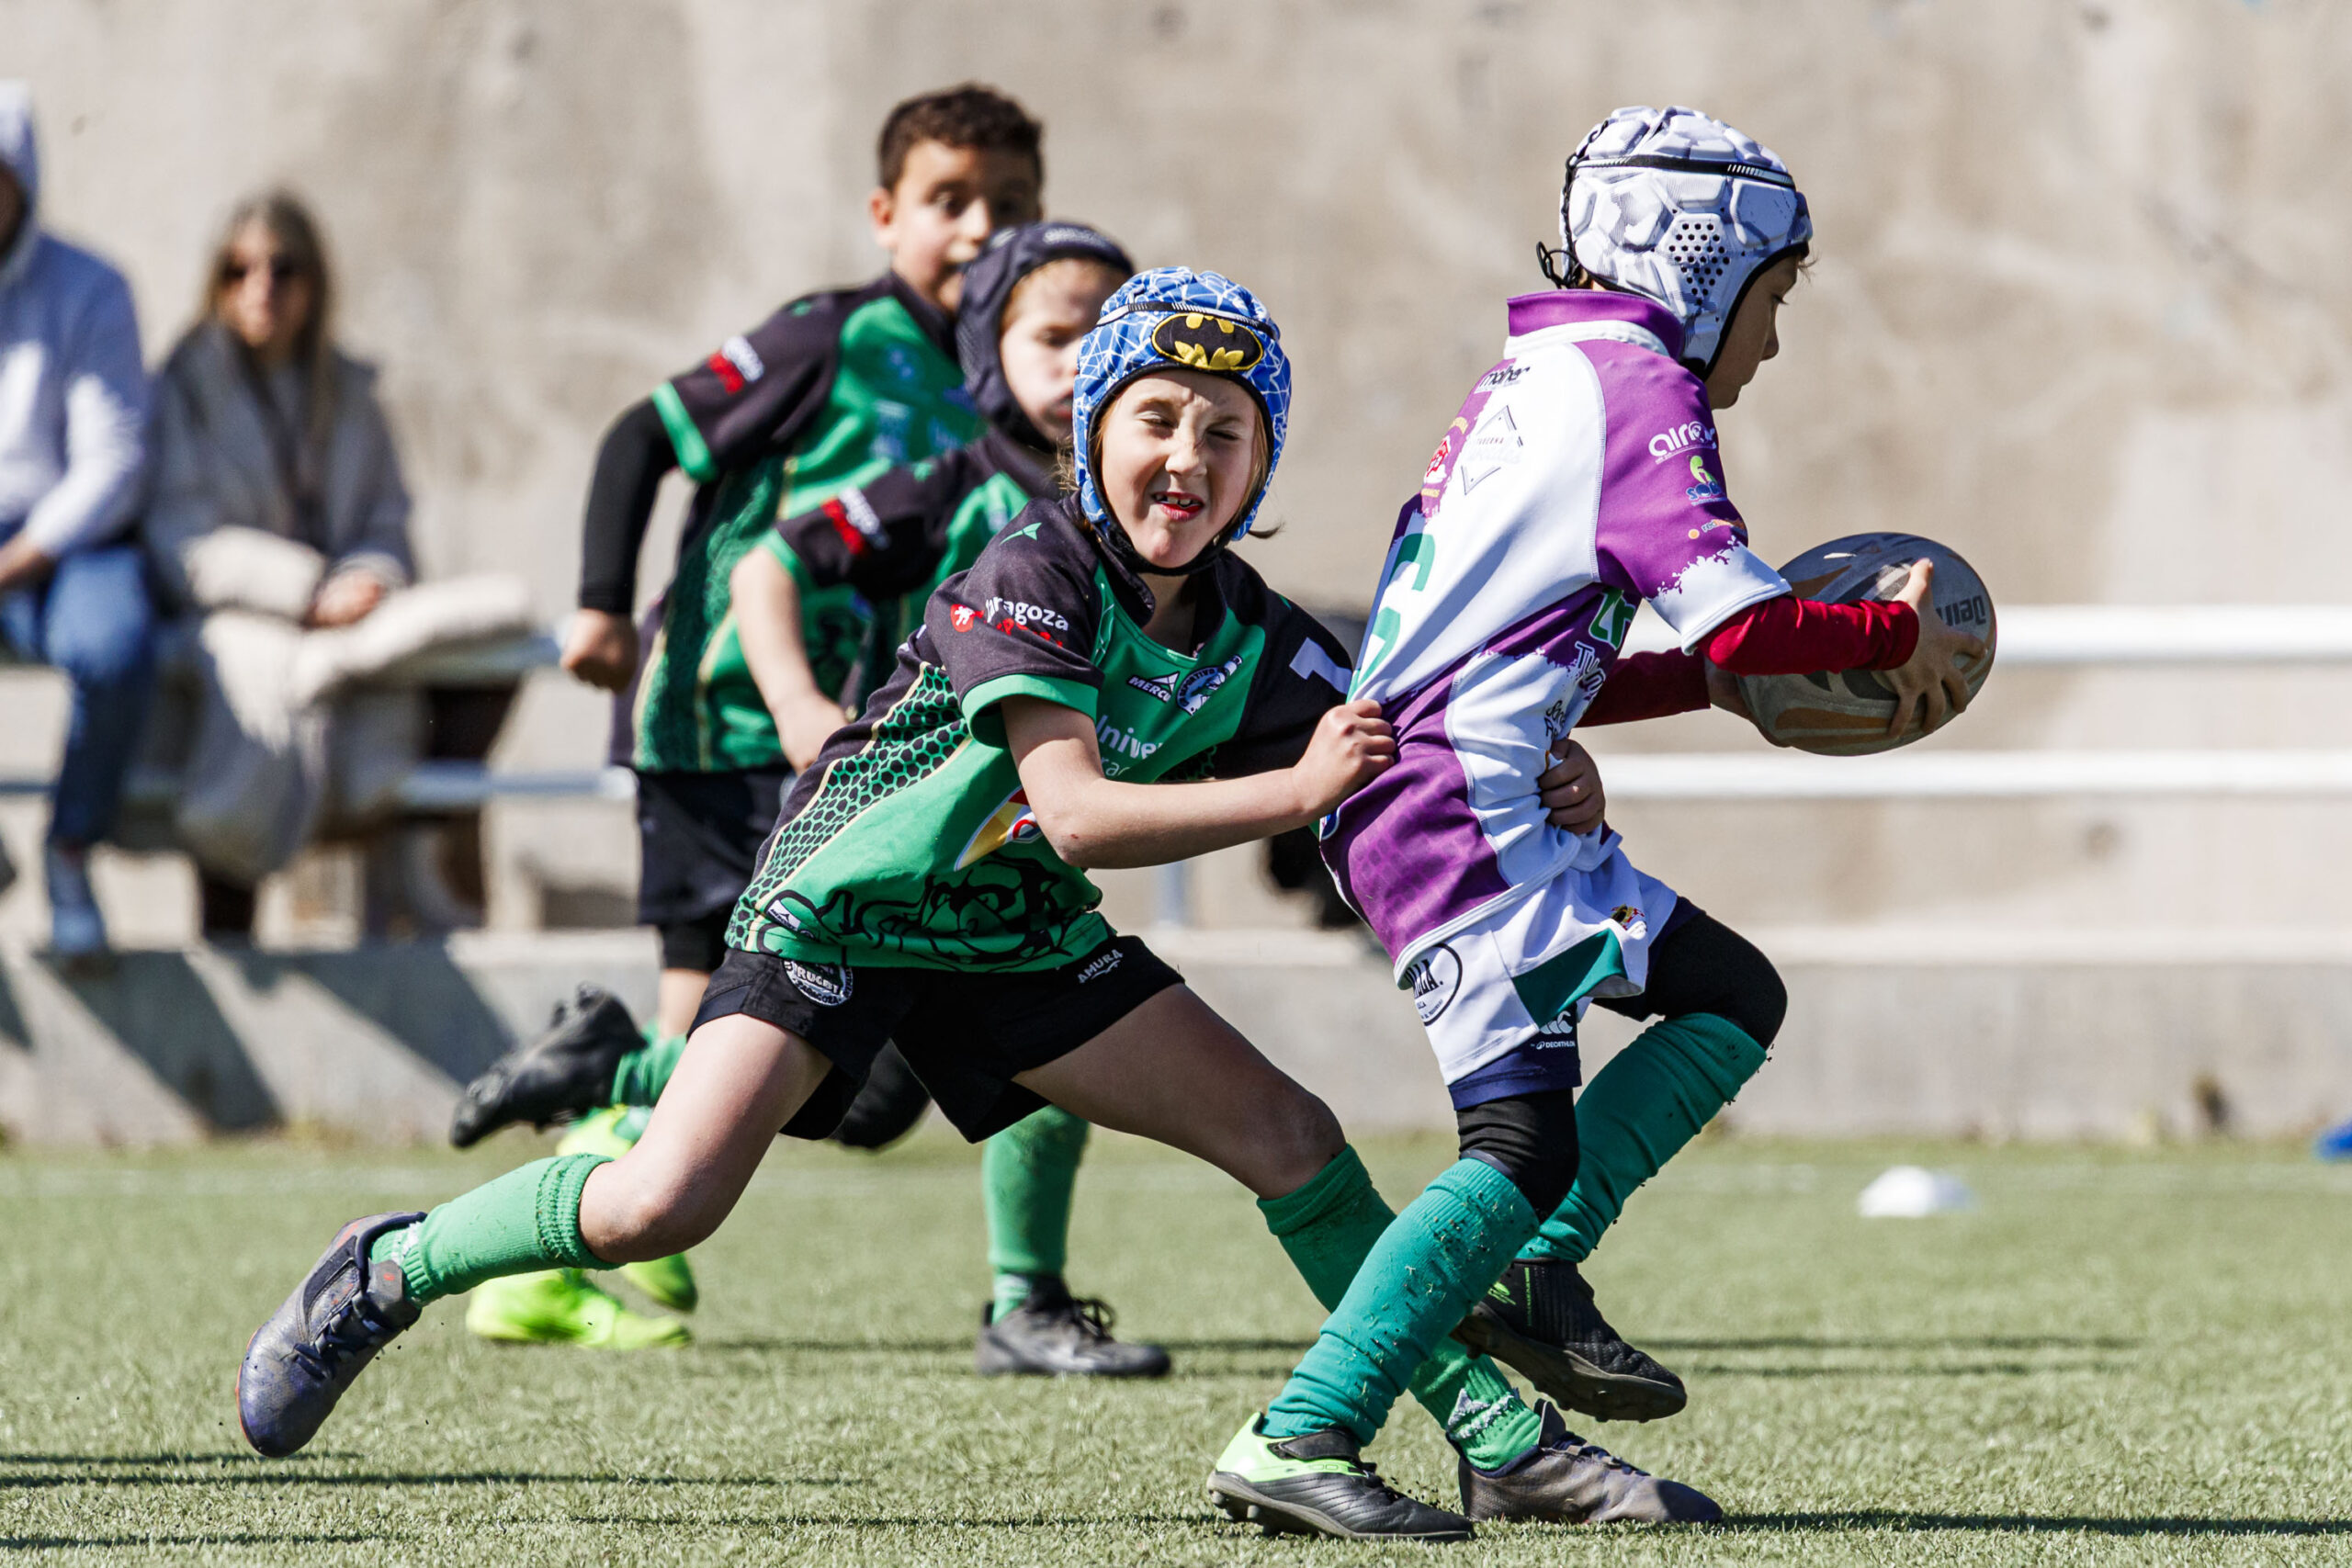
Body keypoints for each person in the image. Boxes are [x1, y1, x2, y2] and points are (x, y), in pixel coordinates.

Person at [239, 269, 1703, 1540]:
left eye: (1225, 430)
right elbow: (1077, 810)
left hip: (1014, 934)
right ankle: (386, 1268)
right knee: (652, 1203)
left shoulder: (1258, 637)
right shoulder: (1033, 565)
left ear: (1263, 465)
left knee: (1293, 1138)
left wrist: (1539, 764)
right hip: (843, 910)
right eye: (1154, 418)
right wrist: (1295, 786)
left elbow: (1401, 759)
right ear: (1091, 432)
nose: (1185, 455)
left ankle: (1504, 1446)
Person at [1209, 105, 1985, 1537]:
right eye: (1774, 299)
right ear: (1704, 267)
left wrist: (1687, 691)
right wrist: (1893, 632)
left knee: (1727, 994)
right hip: (1453, 799)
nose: (1770, 342)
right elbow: (1749, 623)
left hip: (1470, 779)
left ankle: (1538, 1278)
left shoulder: (1537, 378)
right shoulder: (1639, 387)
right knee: (1514, 1139)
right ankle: (1302, 1427)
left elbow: (1547, 646)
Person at [458, 219, 1171, 1374]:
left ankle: (616, 1068)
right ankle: (1022, 1303)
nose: (1082, 357)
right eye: (1055, 333)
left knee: (916, 1089)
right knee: (890, 1077)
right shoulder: (947, 484)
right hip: (899, 840)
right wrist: (798, 707)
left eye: (1109, 337)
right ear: (989, 353)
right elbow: (767, 565)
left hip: (1010, 846)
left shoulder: (1136, 523)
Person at [141, 191, 533, 936]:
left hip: (349, 622)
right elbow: (178, 536)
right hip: (240, 628)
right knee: (246, 744)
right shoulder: (184, 387)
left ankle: (414, 851)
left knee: (495, 640)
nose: (262, 287)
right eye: (239, 269)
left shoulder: (350, 389)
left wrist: (367, 580)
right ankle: (233, 965)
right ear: (216, 282)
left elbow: (388, 519)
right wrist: (301, 590)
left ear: (314, 280)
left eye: (283, 268)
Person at [0, 82, 154, 961]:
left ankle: (69, 847)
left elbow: (114, 458)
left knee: (114, 647)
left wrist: (25, 553)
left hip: (72, 541)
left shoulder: (91, 290)